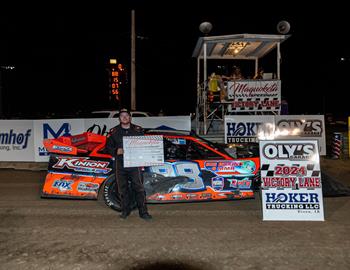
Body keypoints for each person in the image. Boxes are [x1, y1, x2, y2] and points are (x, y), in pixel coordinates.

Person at [105, 108, 152, 220]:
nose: (125, 117)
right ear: (119, 118)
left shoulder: (138, 130)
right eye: (122, 116)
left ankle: (143, 212)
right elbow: (107, 148)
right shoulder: (113, 132)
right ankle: (125, 211)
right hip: (120, 164)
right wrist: (116, 151)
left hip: (135, 163)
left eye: (127, 115)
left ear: (130, 117)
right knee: (122, 188)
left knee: (139, 188)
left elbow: (145, 145)